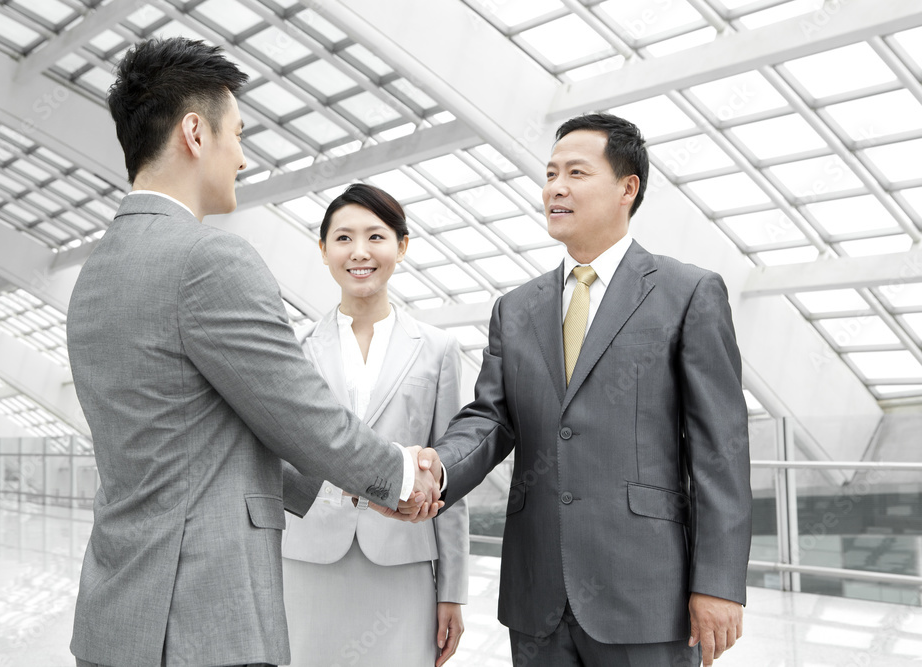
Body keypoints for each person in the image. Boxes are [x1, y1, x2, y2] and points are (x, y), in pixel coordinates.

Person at [66, 38, 442, 667]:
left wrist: (344, 481)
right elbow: (298, 411)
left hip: (116, 615)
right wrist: (400, 475)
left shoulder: (96, 272)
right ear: (194, 132)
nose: (241, 156)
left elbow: (208, 425)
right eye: (237, 133)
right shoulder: (208, 260)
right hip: (202, 621)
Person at [433, 113, 752, 667]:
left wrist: (719, 583)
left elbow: (720, 449)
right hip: (538, 594)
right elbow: (491, 419)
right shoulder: (515, 309)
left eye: (576, 173)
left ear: (628, 188)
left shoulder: (688, 293)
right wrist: (434, 471)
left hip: (647, 596)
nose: (555, 187)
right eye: (551, 173)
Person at [280, 184, 469, 667]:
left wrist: (452, 591)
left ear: (401, 247)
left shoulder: (437, 348)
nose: (359, 252)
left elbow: (451, 476)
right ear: (323, 251)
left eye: (376, 237)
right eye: (343, 238)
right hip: (308, 559)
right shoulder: (293, 349)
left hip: (402, 562)